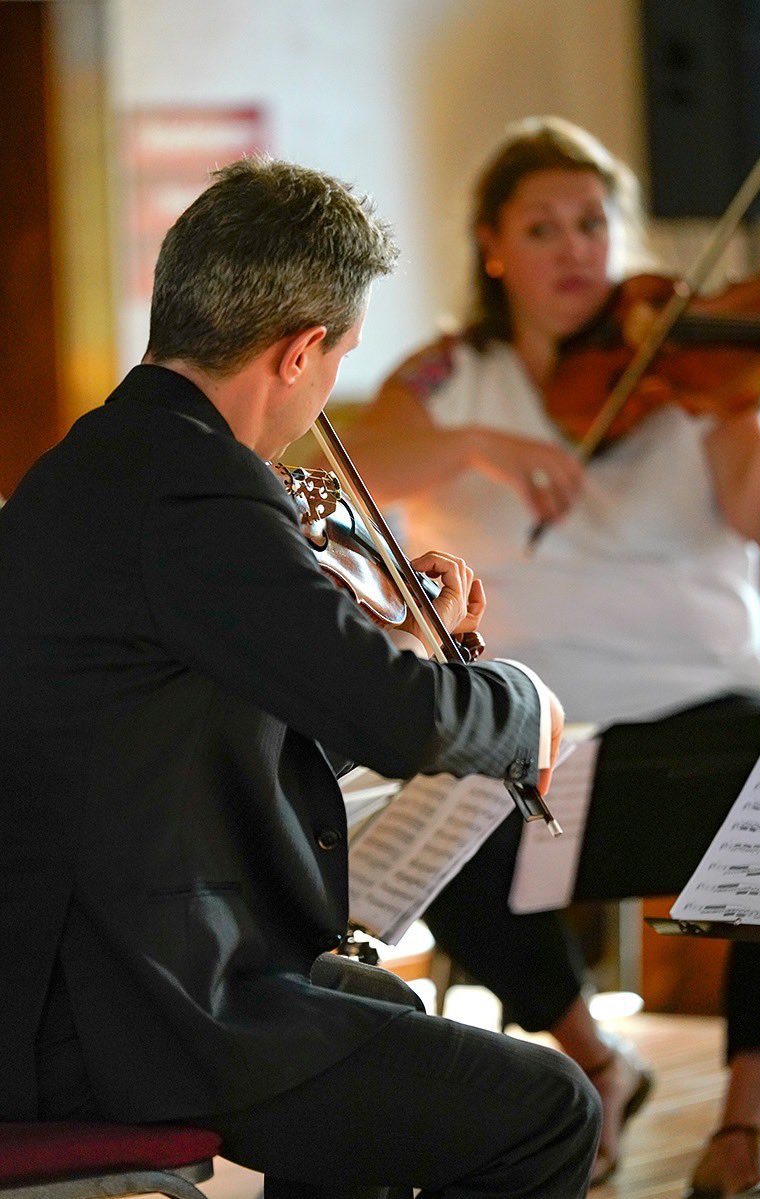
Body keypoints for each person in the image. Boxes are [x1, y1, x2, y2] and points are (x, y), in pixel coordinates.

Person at [0, 155, 602, 1198]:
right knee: (548, 1107)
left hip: (93, 969)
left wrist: (399, 651)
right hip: (126, 1008)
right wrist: (524, 706)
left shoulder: (102, 461)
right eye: (337, 361)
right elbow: (405, 726)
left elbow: (219, 709)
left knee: (390, 1033)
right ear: (301, 350)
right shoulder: (201, 495)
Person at [340, 116, 760, 1195]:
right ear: (492, 245)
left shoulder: (695, 368)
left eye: (591, 223)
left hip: (702, 713)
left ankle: (742, 1121)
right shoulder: (454, 370)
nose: (572, 248)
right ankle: (591, 1057)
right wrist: (477, 441)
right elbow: (363, 452)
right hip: (530, 724)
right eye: (540, 227)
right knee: (426, 798)